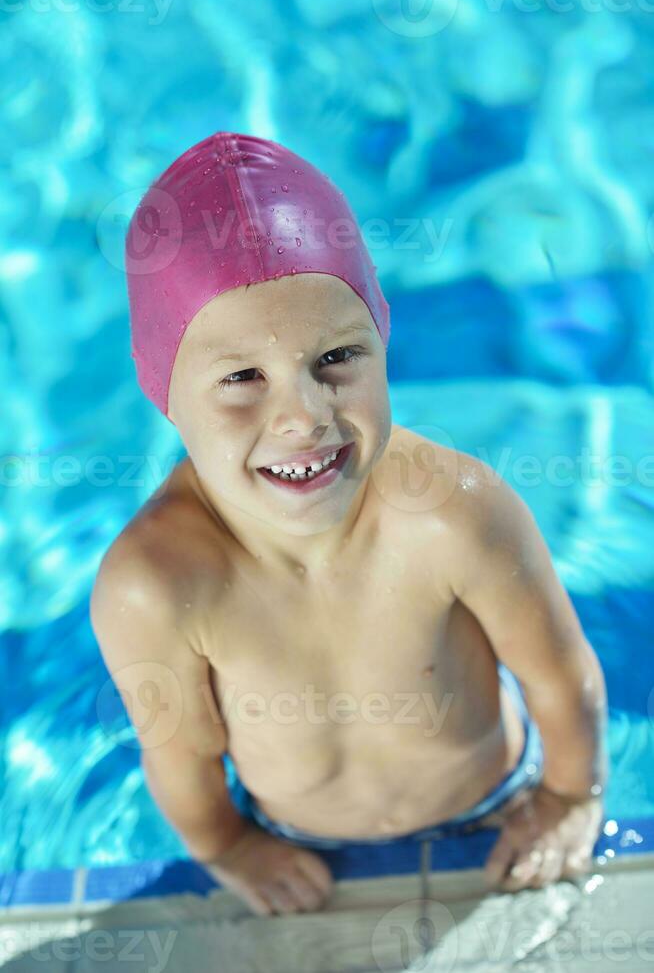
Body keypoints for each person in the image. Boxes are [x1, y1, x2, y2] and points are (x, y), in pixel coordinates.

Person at [90, 131, 608, 917]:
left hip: (495, 795)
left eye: (336, 358)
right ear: (163, 388)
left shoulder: (455, 513)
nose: (304, 416)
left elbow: (559, 676)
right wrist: (228, 846)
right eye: (241, 378)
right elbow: (182, 757)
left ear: (383, 335)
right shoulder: (157, 585)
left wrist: (571, 793)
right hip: (298, 836)